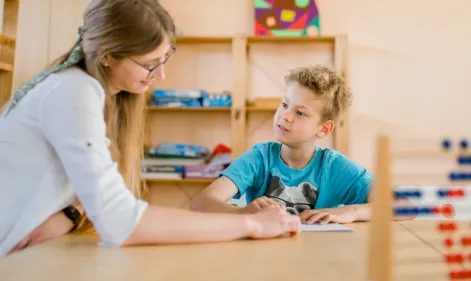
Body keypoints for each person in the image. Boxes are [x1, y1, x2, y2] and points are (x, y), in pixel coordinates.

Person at [0, 0, 301, 258]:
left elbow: (97, 194)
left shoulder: (95, 93)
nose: (161, 74)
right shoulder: (73, 91)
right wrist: (249, 225)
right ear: (107, 55)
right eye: (150, 64)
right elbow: (121, 222)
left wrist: (72, 213)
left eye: (165, 58)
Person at [191, 65, 375, 224]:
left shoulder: (334, 167)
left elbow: (400, 204)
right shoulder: (260, 158)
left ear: (324, 129)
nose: (285, 116)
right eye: (285, 105)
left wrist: (350, 212)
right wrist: (242, 214)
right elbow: (200, 203)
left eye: (300, 113)